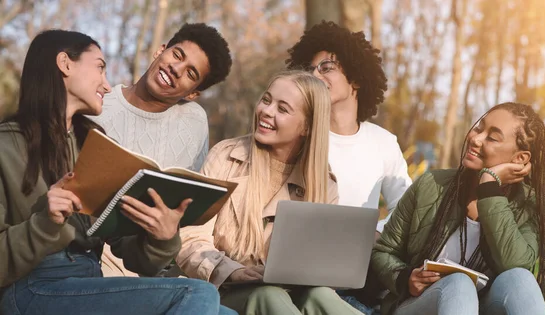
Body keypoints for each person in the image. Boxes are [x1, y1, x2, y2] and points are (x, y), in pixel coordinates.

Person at [0, 29, 235, 315]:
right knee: (197, 293)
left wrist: (162, 237)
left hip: (89, 281)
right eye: (100, 68)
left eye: (190, 73)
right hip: (33, 286)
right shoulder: (6, 146)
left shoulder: (93, 142)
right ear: (65, 63)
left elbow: (127, 248)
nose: (108, 85)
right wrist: (45, 223)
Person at [175, 70, 362, 315]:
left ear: (307, 126)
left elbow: (322, 269)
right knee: (268, 295)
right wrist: (232, 270)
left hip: (291, 294)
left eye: (282, 109)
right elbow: (190, 237)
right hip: (224, 289)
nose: (266, 111)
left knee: (321, 295)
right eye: (266, 100)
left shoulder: (324, 184)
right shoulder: (226, 157)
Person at [371, 102, 545, 315]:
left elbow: (514, 263)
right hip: (420, 305)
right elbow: (383, 252)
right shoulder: (431, 185)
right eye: (479, 127)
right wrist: (405, 277)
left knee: (520, 278)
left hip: (486, 307)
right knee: (459, 283)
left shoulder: (534, 206)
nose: (475, 138)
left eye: (492, 137)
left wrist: (489, 187)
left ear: (520, 159)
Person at [89, 22, 232, 277]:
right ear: (160, 50)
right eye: (177, 55)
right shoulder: (98, 103)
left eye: (191, 73)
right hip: (94, 253)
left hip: (153, 257)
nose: (175, 69)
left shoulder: (194, 122)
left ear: (193, 94)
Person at [286, 21, 412, 239]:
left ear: (355, 79)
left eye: (326, 68)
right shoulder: (298, 134)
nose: (315, 76)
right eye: (310, 70)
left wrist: (376, 233)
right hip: (302, 247)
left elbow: (406, 206)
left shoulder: (383, 143)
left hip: (362, 260)